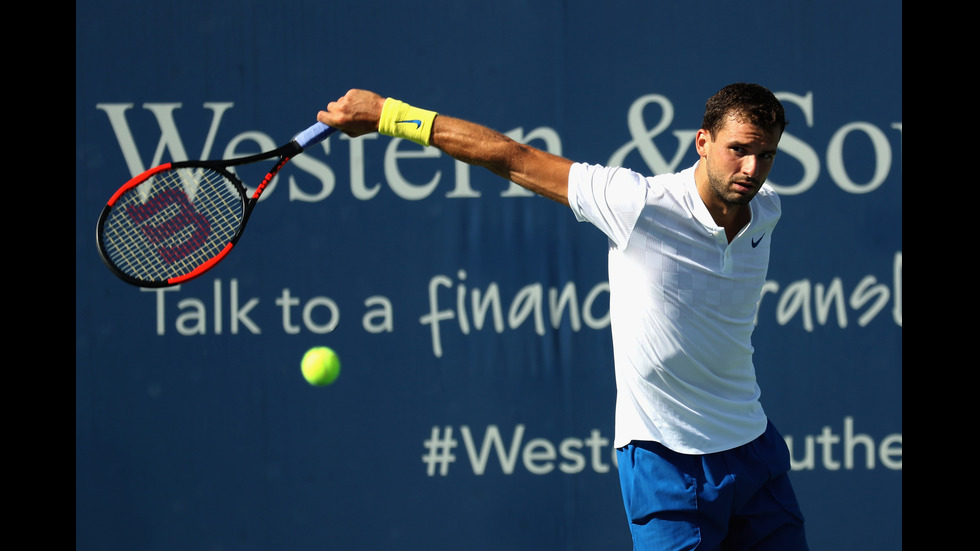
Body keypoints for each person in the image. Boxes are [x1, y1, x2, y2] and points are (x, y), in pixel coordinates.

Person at [318, 84, 808, 550]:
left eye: (766, 155)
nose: (751, 167)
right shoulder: (637, 204)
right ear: (702, 142)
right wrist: (388, 115)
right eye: (738, 149)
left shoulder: (766, 211)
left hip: (753, 449)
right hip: (666, 458)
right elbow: (512, 156)